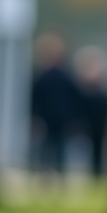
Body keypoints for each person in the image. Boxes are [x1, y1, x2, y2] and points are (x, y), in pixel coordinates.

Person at [29, 33, 78, 181]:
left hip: (61, 117)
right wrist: (35, 117)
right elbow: (35, 98)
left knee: (59, 146)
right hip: (47, 117)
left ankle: (59, 172)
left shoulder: (65, 76)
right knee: (46, 146)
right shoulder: (42, 76)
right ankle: (45, 173)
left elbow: (73, 99)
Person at [73, 45, 107, 178]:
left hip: (99, 124)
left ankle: (97, 172)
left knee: (98, 149)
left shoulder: (102, 90)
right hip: (87, 123)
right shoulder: (82, 89)